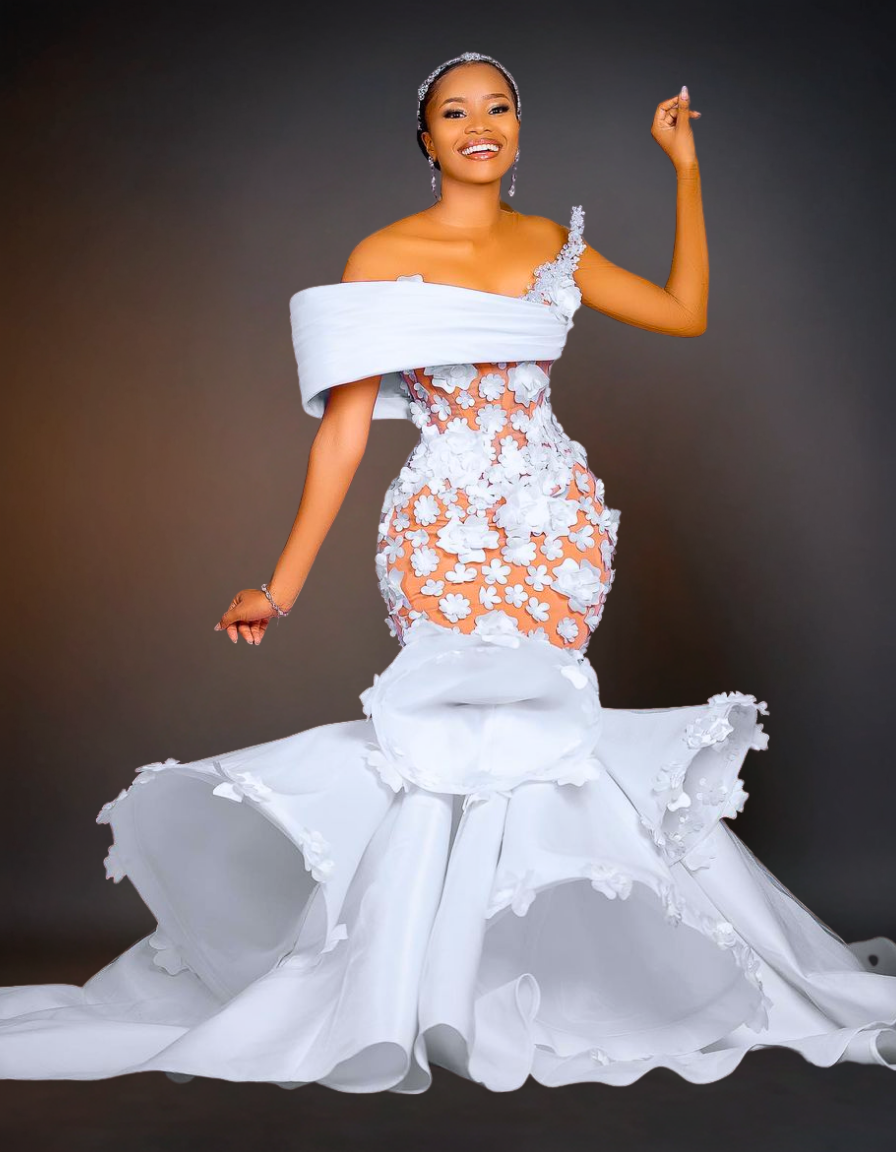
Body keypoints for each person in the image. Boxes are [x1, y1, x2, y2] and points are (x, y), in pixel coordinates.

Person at [1, 51, 894, 1093]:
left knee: (541, 736)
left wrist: (684, 174)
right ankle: (409, 991)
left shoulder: (553, 247)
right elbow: (341, 435)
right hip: (442, 528)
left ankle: (541, 976)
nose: (480, 124)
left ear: (517, 129)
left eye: (499, 107)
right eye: (454, 112)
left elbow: (682, 311)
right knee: (447, 738)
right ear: (423, 140)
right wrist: (277, 586)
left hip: (555, 521)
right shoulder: (382, 254)